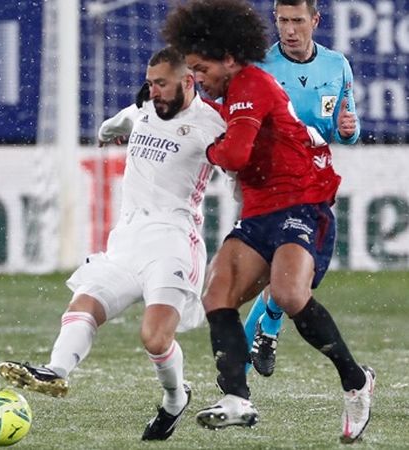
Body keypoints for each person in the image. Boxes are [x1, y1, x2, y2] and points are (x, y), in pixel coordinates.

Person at [162, 0, 374, 443]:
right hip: (260, 207)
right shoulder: (226, 91)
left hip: (304, 199)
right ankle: (237, 398)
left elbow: (233, 154)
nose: (198, 79)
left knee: (289, 294)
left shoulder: (251, 83)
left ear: (228, 59)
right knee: (217, 295)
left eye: (202, 69)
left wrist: (210, 149)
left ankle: (356, 382)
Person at [0, 47, 227, 441]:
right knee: (84, 303)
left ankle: (175, 399)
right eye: (150, 83)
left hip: (173, 243)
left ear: (188, 82)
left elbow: (244, 159)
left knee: (155, 338)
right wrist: (107, 131)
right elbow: (123, 120)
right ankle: (55, 371)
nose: (152, 91)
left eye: (161, 84)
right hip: (127, 241)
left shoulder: (212, 124)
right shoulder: (143, 110)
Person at [243, 0, 361, 378]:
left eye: (297, 21)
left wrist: (349, 130)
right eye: (282, 21)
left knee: (294, 282)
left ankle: (259, 339)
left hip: (315, 180)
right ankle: (238, 377)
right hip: (271, 183)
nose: (289, 30)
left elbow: (347, 124)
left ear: (315, 20)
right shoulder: (260, 65)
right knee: (279, 278)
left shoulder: (336, 65)